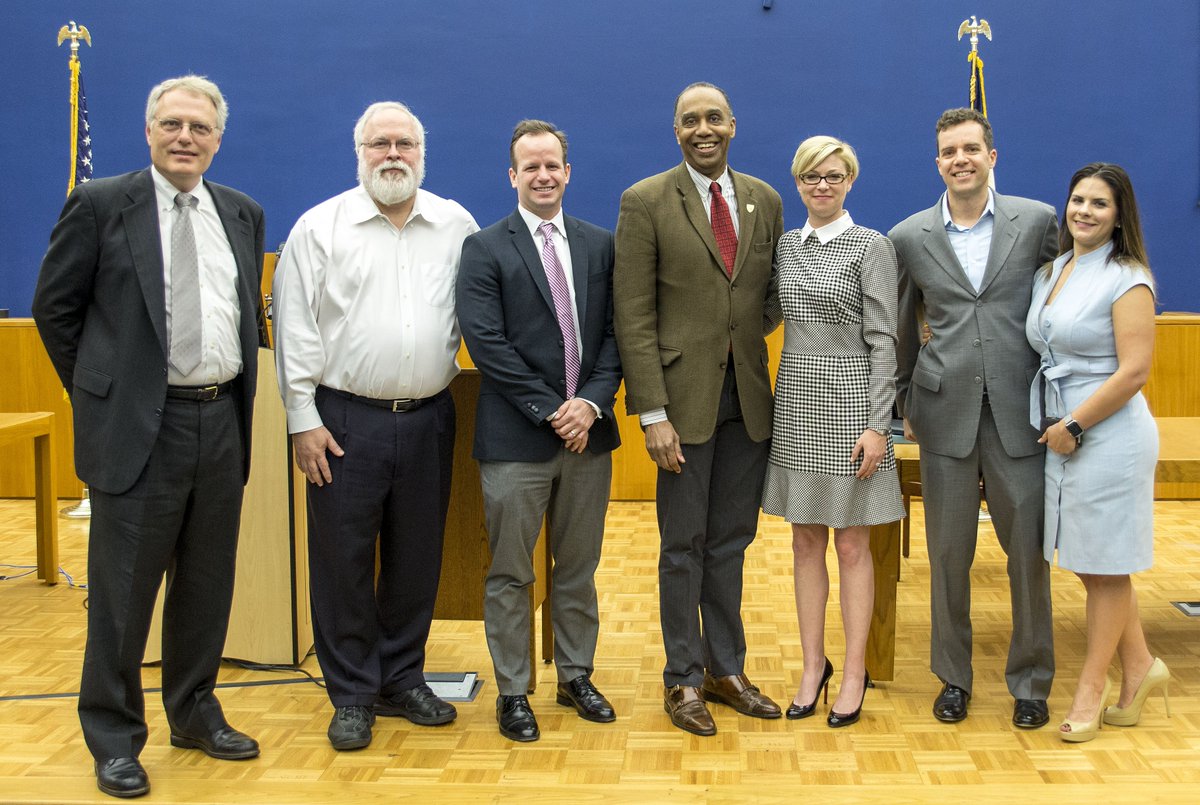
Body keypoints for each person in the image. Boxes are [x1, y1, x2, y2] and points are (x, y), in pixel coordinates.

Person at [32, 75, 265, 798]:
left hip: (221, 419)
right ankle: (113, 735)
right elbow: (55, 310)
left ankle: (194, 710)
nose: (185, 136)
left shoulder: (241, 212)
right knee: (122, 595)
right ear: (149, 131)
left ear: (218, 138)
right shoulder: (102, 204)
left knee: (205, 584)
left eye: (199, 127)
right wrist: (103, 395)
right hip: (140, 430)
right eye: (171, 124)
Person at [272, 101, 478, 751]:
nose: (393, 153)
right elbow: (295, 329)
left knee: (418, 557)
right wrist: (302, 419)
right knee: (343, 560)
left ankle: (402, 677)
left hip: (428, 418)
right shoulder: (319, 227)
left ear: (423, 151)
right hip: (341, 421)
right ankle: (354, 692)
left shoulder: (456, 225)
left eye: (405, 143)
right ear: (358, 151)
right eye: (379, 143)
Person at [614, 82, 784, 736]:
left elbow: (771, 292)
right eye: (691, 120)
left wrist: (741, 338)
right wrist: (651, 411)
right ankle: (682, 677)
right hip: (679, 409)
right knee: (682, 545)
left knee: (731, 543)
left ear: (733, 125)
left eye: (714, 117)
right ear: (676, 130)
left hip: (748, 402)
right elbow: (633, 314)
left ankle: (726, 667)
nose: (703, 128)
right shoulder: (646, 201)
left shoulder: (763, 199)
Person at [890, 108, 1058, 729]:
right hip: (943, 413)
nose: (959, 159)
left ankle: (1032, 680)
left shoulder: (1039, 222)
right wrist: (904, 397)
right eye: (947, 151)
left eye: (970, 148)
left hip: (1023, 413)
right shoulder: (910, 235)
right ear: (936, 162)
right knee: (949, 553)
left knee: (1027, 554)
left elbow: (1062, 301)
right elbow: (903, 320)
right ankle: (952, 677)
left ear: (993, 156)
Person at [457, 120, 622, 742]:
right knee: (510, 572)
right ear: (513, 176)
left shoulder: (600, 244)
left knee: (577, 568)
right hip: (516, 441)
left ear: (568, 171)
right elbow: (486, 344)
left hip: (590, 437)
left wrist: (591, 405)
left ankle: (576, 674)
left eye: (552, 164)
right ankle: (512, 690)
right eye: (531, 167)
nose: (543, 175)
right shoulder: (485, 248)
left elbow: (615, 336)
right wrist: (555, 409)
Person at [761, 136, 904, 728]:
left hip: (852, 406)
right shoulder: (786, 246)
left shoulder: (871, 245)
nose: (822, 185)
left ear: (850, 181)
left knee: (851, 544)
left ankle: (853, 672)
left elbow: (885, 339)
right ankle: (811, 666)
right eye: (812, 177)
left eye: (834, 176)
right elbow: (766, 313)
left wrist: (878, 425)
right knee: (804, 543)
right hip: (795, 400)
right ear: (797, 183)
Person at [1026, 163, 1166, 742]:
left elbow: (1134, 371)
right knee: (1089, 560)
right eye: (1078, 199)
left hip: (1106, 433)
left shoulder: (1127, 276)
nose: (1084, 211)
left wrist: (1076, 425)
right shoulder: (1055, 270)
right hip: (1063, 429)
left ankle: (1092, 689)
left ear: (1119, 215)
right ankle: (1140, 667)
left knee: (1106, 567)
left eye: (1099, 204)